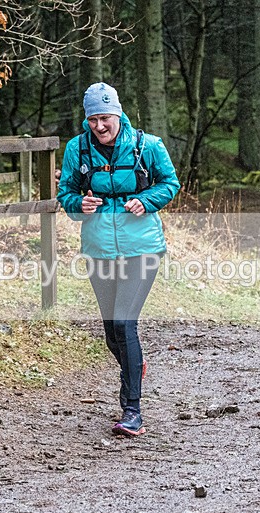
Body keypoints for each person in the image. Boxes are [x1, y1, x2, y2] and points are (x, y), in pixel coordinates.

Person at [57, 82, 180, 437]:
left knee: (125, 324)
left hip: (142, 247)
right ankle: (134, 364)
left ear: (119, 113)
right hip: (99, 250)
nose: (100, 126)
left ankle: (132, 411)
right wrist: (79, 204)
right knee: (112, 332)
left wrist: (149, 200)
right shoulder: (76, 149)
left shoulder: (148, 146)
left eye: (105, 117)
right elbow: (66, 193)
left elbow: (170, 183)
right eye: (93, 119)